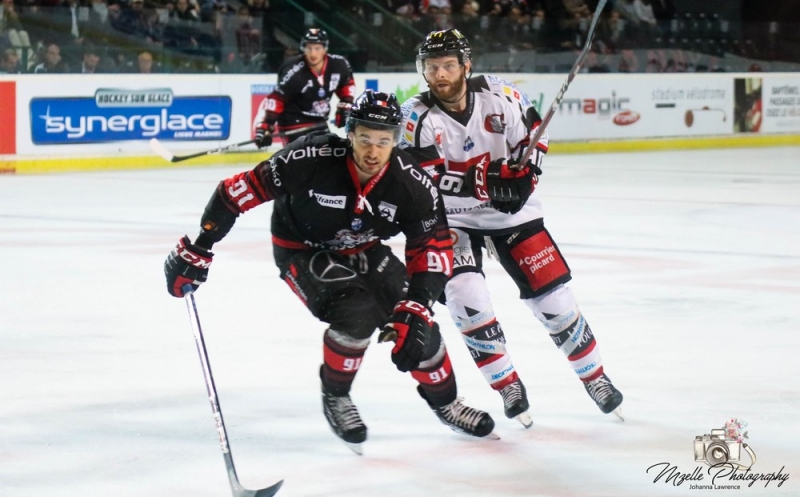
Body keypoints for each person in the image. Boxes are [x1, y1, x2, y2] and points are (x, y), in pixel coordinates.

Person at [164, 90, 496, 454]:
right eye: (365, 139)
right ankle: (336, 396)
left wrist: (417, 306)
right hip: (301, 249)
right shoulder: (308, 158)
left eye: (384, 141)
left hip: (365, 247)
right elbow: (235, 192)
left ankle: (446, 402)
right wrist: (199, 246)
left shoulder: (411, 184)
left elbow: (432, 248)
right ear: (349, 134)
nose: (373, 150)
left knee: (419, 330)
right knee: (356, 314)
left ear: (396, 141)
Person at [399, 29, 624, 428]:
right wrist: (488, 181)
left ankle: (596, 378)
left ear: (466, 66)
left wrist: (525, 180)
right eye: (432, 67)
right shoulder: (416, 116)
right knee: (466, 298)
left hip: (513, 216)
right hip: (452, 218)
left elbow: (536, 139)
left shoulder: (503, 95)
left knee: (553, 300)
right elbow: (426, 176)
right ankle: (507, 385)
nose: (440, 74)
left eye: (449, 65)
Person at [252, 28, 355, 148]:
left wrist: (345, 107)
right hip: (292, 123)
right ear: (303, 48)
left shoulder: (339, 65)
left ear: (325, 49)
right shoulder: (293, 71)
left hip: (319, 122)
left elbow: (347, 85)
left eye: (317, 48)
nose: (313, 53)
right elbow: (276, 99)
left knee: (328, 160)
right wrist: (265, 127)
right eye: (309, 48)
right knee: (299, 163)